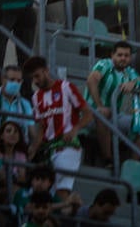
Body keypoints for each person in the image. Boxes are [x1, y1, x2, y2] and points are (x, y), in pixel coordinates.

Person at [24, 56, 91, 203]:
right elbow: (42, 126)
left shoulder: (66, 87)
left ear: (46, 71)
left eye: (37, 76)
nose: (35, 81)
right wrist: (34, 147)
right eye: (32, 78)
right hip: (49, 150)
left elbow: (88, 113)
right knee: (46, 193)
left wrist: (75, 129)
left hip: (67, 147)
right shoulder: (36, 97)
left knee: (61, 191)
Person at [84, 40, 140, 159]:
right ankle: (108, 160)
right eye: (120, 55)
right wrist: (100, 105)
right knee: (102, 114)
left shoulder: (129, 71)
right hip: (90, 114)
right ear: (112, 55)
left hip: (114, 116)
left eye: (126, 56)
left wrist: (134, 83)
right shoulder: (104, 64)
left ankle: (132, 162)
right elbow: (91, 80)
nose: (123, 58)